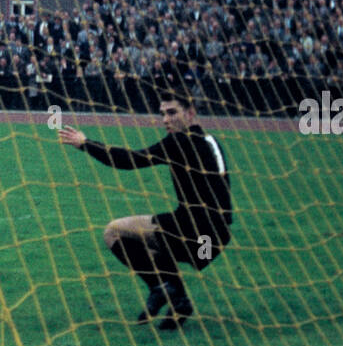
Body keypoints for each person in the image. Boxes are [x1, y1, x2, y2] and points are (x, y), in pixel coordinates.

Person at [59, 93, 231, 330]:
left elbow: (130, 160)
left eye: (172, 112)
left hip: (196, 231)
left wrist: (86, 144)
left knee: (113, 232)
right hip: (214, 240)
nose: (165, 120)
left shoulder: (179, 142)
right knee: (151, 245)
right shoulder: (212, 142)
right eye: (162, 114)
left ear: (190, 112)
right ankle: (179, 303)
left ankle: (159, 289)